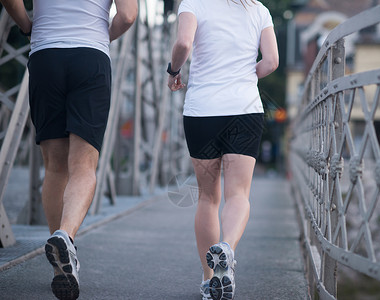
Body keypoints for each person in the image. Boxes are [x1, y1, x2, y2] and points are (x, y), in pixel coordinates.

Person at [0, 1, 137, 299]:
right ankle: (66, 236)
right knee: (84, 165)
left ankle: (60, 264)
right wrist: (102, 36)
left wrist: (26, 24)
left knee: (55, 166)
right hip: (90, 55)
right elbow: (128, 16)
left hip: (46, 56)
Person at [168, 0, 278, 299]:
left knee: (207, 197)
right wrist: (243, 76)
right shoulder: (258, 9)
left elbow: (183, 42)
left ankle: (208, 280)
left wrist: (173, 70)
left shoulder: (194, 3)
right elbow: (271, 62)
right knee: (238, 194)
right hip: (244, 109)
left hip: (202, 110)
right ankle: (226, 249)